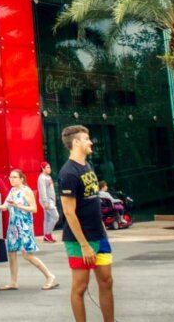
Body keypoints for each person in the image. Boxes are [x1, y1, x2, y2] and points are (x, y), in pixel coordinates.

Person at [59, 124, 113, 322]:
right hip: (78, 241)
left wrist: (102, 228)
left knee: (107, 281)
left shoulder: (87, 167)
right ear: (76, 142)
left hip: (100, 236)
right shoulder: (68, 173)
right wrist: (84, 245)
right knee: (80, 287)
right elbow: (68, 212)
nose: (91, 142)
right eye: (87, 139)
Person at [0, 169, 58, 291]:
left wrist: (18, 205)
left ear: (21, 179)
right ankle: (13, 282)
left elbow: (34, 209)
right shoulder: (12, 191)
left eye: (14, 177)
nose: (12, 179)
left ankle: (49, 276)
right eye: (10, 177)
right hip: (13, 226)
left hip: (24, 226)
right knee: (11, 253)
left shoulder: (26, 191)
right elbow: (5, 206)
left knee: (27, 255)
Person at [38, 162, 59, 243]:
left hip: (50, 200)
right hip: (47, 200)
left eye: (49, 167)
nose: (49, 169)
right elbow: (42, 190)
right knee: (56, 216)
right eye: (47, 167)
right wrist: (45, 202)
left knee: (47, 218)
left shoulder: (48, 177)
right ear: (43, 168)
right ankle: (48, 234)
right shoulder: (42, 178)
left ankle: (46, 235)